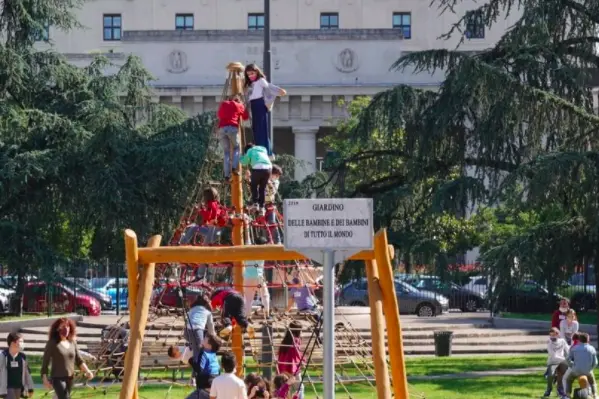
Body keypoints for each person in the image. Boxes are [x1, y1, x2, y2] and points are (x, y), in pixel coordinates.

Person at [41, 318, 94, 399]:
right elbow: (45, 362)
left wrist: (87, 371)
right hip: (57, 378)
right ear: (57, 328)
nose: (66, 329)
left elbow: (79, 360)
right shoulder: (52, 343)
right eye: (63, 326)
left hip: (70, 378)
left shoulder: (72, 342)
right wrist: (45, 379)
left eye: (68, 326)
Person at [244, 64, 286, 157]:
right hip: (253, 105)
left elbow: (269, 87)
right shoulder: (250, 84)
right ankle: (259, 147)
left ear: (257, 72)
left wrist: (279, 90)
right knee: (256, 128)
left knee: (261, 128)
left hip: (259, 103)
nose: (250, 75)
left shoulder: (260, 81)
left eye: (252, 73)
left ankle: (266, 150)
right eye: (248, 74)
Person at [217, 95, 249, 180]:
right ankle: (234, 167)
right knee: (237, 148)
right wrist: (242, 105)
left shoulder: (224, 103)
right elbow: (245, 117)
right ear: (238, 100)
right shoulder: (239, 105)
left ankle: (227, 175)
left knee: (226, 152)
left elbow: (219, 115)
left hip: (222, 129)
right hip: (232, 128)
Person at [563, 333, 597, 398]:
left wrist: (572, 365)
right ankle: (595, 394)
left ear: (579, 340)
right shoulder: (592, 348)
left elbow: (567, 359)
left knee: (568, 380)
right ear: (588, 340)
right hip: (587, 371)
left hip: (576, 370)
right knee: (592, 382)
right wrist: (590, 368)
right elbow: (595, 362)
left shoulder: (574, 348)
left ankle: (568, 394)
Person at [0, 333, 34, 399]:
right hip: (7, 387)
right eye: (20, 341)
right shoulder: (3, 356)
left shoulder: (23, 356)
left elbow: (27, 373)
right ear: (12, 343)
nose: (23, 343)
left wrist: (30, 388)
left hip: (19, 387)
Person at [240, 143, 272, 214]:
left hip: (258, 168)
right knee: (262, 188)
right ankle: (262, 207)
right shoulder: (263, 149)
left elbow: (244, 162)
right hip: (268, 169)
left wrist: (240, 157)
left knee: (253, 185)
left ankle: (255, 203)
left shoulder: (250, 151)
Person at [277, 321, 304, 399]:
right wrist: (303, 361)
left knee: (288, 391)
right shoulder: (296, 340)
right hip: (292, 370)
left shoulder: (285, 341)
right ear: (298, 330)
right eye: (301, 330)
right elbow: (297, 355)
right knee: (300, 389)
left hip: (284, 370)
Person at [544, 327, 569, 397]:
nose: (552, 337)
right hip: (552, 362)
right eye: (550, 335)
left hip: (561, 362)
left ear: (558, 334)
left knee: (565, 372)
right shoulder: (549, 342)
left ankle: (560, 389)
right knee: (551, 374)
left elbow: (568, 350)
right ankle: (549, 389)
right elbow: (553, 355)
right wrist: (564, 360)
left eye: (553, 335)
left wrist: (570, 357)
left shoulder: (562, 341)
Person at [265, 165, 283, 244]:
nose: (277, 177)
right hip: (262, 204)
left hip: (270, 204)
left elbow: (273, 192)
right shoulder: (264, 179)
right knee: (264, 223)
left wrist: (269, 184)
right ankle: (269, 240)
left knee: (272, 222)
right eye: (276, 175)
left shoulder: (276, 182)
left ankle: (277, 240)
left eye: (278, 176)